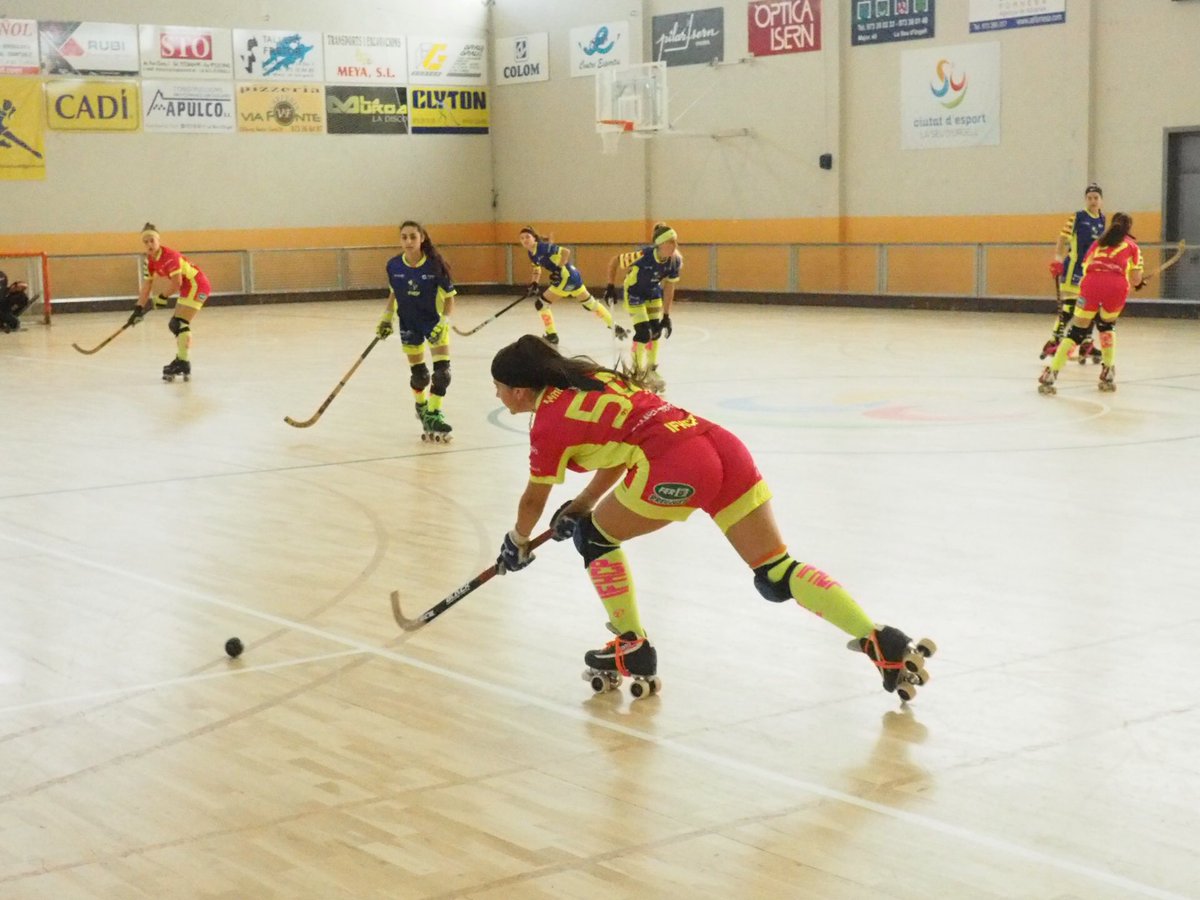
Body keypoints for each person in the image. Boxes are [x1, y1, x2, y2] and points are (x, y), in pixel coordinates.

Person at [489, 334, 935, 701]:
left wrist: (517, 541)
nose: (497, 395)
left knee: (594, 538)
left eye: (498, 388)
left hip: (673, 464)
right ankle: (882, 640)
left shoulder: (548, 422)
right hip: (717, 443)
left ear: (520, 390)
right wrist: (585, 501)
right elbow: (623, 445)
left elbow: (533, 499)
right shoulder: (591, 379)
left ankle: (632, 645)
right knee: (775, 571)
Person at [1038, 212, 1143, 395]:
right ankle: (1108, 370)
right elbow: (1135, 279)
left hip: (1091, 285)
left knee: (1077, 331)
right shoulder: (1133, 247)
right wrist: (1137, 282)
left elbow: (1086, 267)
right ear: (1129, 228)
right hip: (1117, 288)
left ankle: (1052, 373)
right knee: (1106, 326)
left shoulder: (1098, 242)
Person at [377, 220, 457, 441]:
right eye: (404, 237)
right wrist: (386, 318)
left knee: (443, 374)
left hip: (433, 323)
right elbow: (394, 293)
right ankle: (421, 406)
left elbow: (450, 299)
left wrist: (445, 321)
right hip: (408, 323)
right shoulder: (393, 266)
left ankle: (433, 412)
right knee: (420, 376)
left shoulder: (436, 265)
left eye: (413, 236)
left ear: (422, 238)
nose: (408, 241)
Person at [127, 223, 211, 381]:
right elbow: (147, 285)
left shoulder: (170, 257)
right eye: (146, 242)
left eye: (152, 240)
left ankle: (183, 362)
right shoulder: (149, 261)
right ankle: (182, 361)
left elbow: (177, 283)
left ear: (158, 240)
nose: (149, 245)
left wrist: (162, 297)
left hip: (196, 284)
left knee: (180, 323)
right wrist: (138, 308)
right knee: (176, 324)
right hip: (187, 287)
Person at [518, 227, 628, 345]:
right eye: (522, 238)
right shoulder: (531, 253)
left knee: (541, 304)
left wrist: (558, 269)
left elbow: (566, 252)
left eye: (527, 237)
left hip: (566, 277)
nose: (525, 240)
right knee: (590, 303)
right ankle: (615, 326)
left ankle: (551, 335)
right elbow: (536, 269)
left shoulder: (542, 247)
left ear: (534, 238)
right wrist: (534, 283)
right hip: (573, 276)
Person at [604, 223, 680, 392]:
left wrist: (666, 316)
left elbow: (669, 287)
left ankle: (651, 370)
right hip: (634, 293)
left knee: (656, 331)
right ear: (659, 245)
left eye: (675, 242)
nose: (674, 246)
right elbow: (615, 261)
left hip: (653, 293)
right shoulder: (642, 256)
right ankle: (637, 372)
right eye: (670, 243)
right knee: (644, 333)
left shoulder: (675, 261)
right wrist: (610, 286)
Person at [1042, 184, 1106, 363]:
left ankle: (1086, 342)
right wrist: (1058, 258)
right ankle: (1054, 340)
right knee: (1070, 308)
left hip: (1091, 272)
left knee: (1090, 308)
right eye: (1090, 198)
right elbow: (1063, 238)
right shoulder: (1078, 217)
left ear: (1101, 200)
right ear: (1086, 200)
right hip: (1073, 269)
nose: (1093, 201)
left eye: (1096, 198)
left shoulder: (1102, 220)